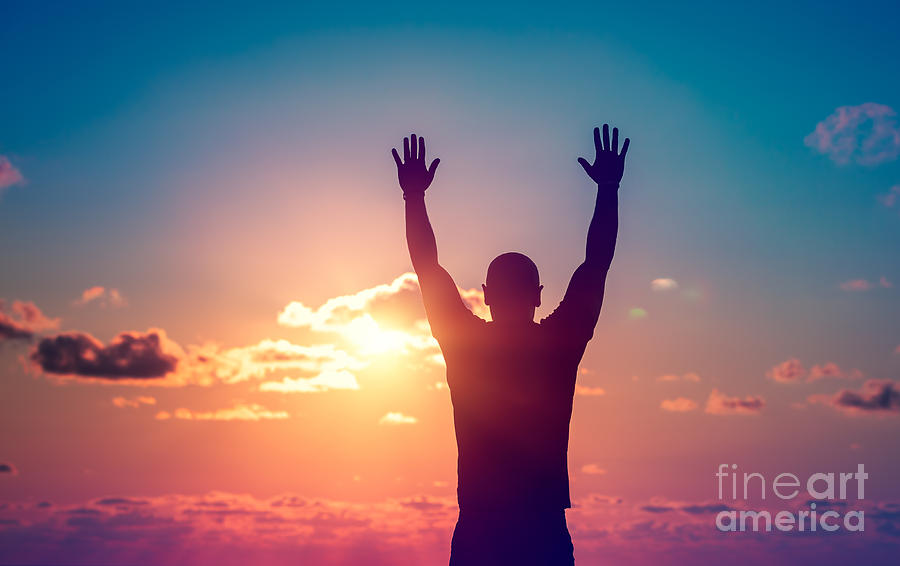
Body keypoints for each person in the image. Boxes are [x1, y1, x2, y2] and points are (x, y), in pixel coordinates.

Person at [391, 125, 629, 565]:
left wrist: (414, 197)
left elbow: (426, 266)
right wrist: (608, 189)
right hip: (541, 526)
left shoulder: (466, 346)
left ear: (486, 293)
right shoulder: (560, 343)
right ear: (539, 294)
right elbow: (597, 263)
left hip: (482, 525)